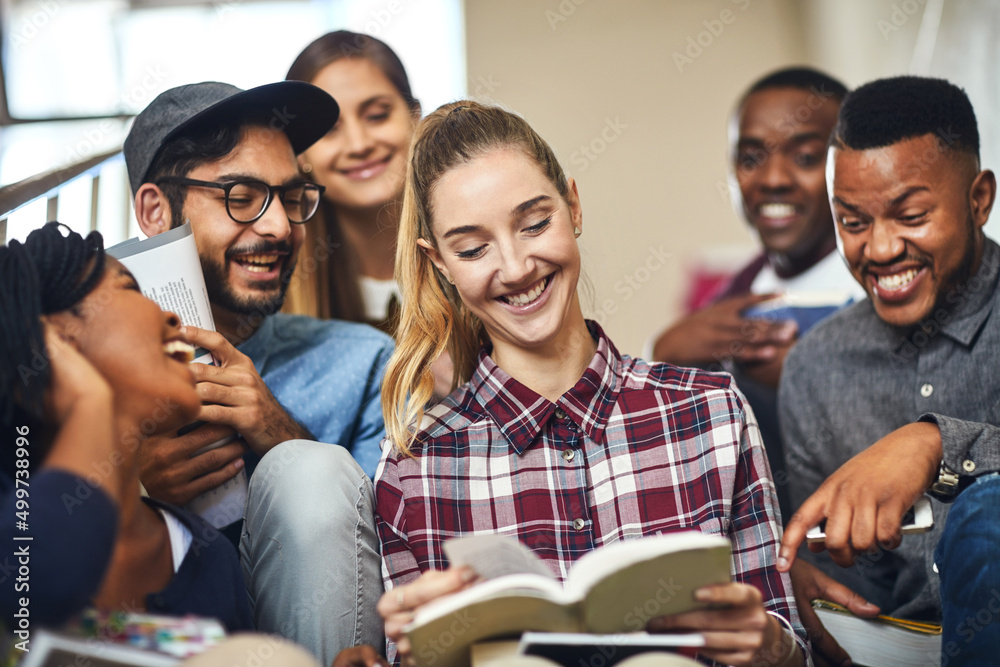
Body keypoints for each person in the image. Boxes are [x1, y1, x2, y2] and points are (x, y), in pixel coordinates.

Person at [373, 101, 809, 666]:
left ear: (573, 207)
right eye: (473, 248)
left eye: (534, 224)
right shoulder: (415, 467)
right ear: (440, 266)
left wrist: (773, 648)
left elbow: (788, 644)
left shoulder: (713, 413)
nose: (517, 266)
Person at [124, 82, 387, 664]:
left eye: (291, 199)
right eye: (241, 195)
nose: (278, 228)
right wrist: (137, 496)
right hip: (167, 647)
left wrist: (278, 431)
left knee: (306, 467)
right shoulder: (79, 384)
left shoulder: (365, 363)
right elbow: (34, 612)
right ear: (154, 210)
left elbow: (396, 565)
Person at [775, 76, 999, 663]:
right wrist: (800, 581)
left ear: (979, 199)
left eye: (912, 215)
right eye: (852, 222)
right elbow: (833, 577)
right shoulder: (815, 370)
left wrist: (936, 444)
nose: (878, 250)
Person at [0, 222, 252, 632]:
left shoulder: (206, 555)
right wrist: (89, 399)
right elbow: (37, 588)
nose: (171, 315)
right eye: (130, 289)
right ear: (54, 335)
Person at [649, 68, 864, 522]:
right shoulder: (734, 296)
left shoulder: (880, 281)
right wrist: (661, 355)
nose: (773, 179)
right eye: (750, 159)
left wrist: (804, 379)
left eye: (805, 157)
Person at [285, 31, 454, 397]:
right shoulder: (277, 288)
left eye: (377, 115)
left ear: (415, 118)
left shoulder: (473, 257)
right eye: (329, 130)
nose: (359, 144)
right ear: (301, 155)